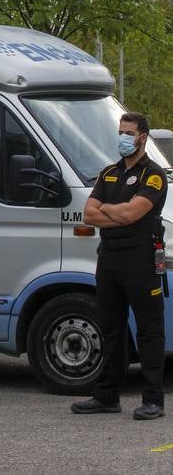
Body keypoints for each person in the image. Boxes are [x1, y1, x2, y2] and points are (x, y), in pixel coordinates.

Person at [71, 111, 168, 420]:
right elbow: (89, 214)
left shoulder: (153, 175)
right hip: (109, 257)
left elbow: (131, 215)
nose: (122, 138)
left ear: (142, 137)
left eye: (128, 133)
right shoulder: (108, 173)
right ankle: (107, 395)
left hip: (140, 258)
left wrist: (110, 211)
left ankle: (153, 399)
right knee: (111, 327)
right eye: (120, 131)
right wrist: (119, 211)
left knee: (149, 330)